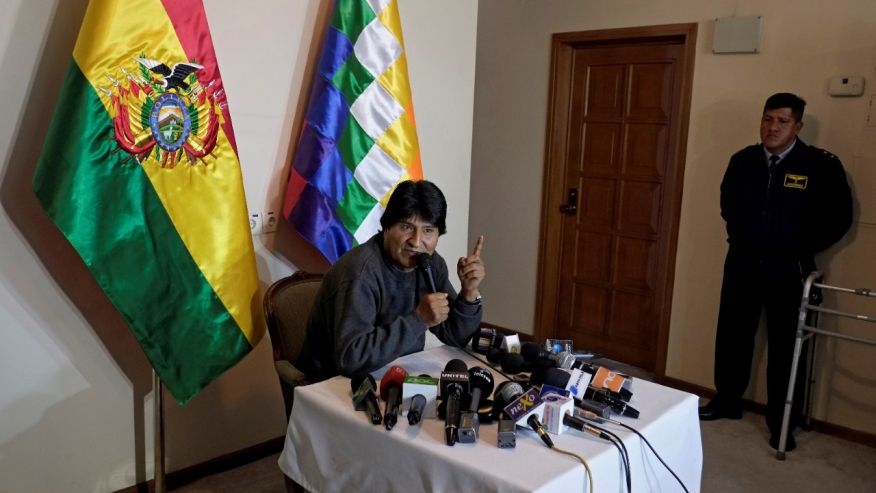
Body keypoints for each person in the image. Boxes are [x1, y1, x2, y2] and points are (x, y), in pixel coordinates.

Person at [699, 93, 853, 451]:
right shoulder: (743, 161)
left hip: (790, 269)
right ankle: (727, 400)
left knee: (787, 345)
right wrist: (742, 238)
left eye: (782, 121)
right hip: (743, 263)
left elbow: (839, 218)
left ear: (797, 125)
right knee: (733, 335)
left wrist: (799, 247)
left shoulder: (820, 165)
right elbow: (727, 204)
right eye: (768, 119)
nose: (773, 127)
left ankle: (782, 419)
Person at [295, 180, 485, 383]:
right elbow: (351, 360)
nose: (416, 241)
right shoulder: (359, 273)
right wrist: (418, 320)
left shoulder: (430, 264)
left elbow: (455, 336)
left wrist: (469, 293)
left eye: (428, 230)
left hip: (398, 374)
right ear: (386, 227)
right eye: (406, 227)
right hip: (335, 384)